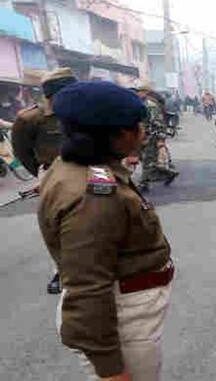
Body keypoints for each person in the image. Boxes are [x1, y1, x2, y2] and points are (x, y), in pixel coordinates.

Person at [39, 81, 175, 380]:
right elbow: (87, 287)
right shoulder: (92, 195)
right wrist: (111, 370)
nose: (143, 131)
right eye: (138, 125)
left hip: (128, 314)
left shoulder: (83, 165)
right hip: (123, 322)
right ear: (121, 134)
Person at [11, 67, 78, 295]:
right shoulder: (30, 119)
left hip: (86, 169)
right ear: (51, 95)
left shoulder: (84, 111)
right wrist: (43, 174)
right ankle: (61, 270)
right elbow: (22, 151)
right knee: (55, 224)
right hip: (51, 173)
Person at [135, 85, 179, 192]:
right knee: (143, 159)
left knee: (147, 161)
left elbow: (159, 123)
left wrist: (160, 140)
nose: (137, 93)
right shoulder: (140, 103)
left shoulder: (151, 105)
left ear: (145, 92)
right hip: (142, 137)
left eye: (139, 91)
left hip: (152, 137)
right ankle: (168, 173)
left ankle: (143, 184)